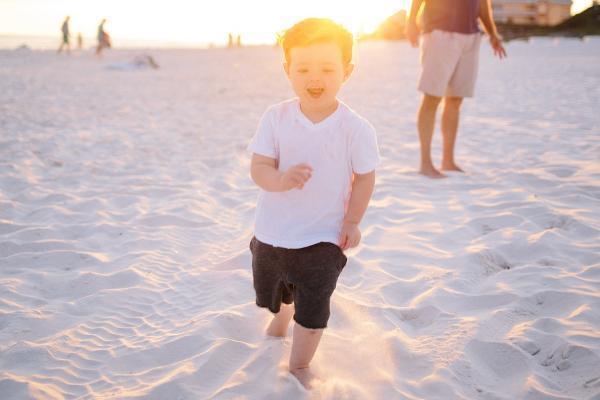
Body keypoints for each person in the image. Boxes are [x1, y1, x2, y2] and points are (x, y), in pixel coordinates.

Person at [247, 18, 380, 389]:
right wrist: (279, 180)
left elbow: (365, 176)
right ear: (288, 69)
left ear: (347, 71)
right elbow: (258, 167)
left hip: (323, 236)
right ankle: (281, 317)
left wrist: (352, 221)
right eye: (303, 68)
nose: (314, 76)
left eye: (326, 68)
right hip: (273, 232)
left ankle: (300, 364)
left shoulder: (355, 128)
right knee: (275, 291)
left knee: (314, 300)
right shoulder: (276, 117)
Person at [406, 0, 507, 178]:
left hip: (471, 36)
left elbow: (483, 4)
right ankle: (425, 163)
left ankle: (448, 160)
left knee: (455, 99)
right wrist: (411, 22)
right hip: (440, 32)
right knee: (432, 97)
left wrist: (492, 34)